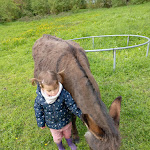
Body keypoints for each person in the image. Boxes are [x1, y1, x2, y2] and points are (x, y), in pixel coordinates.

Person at [31, 70, 82, 150]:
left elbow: (71, 105)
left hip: (65, 121)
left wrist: (80, 114)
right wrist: (41, 122)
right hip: (52, 125)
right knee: (57, 139)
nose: (54, 92)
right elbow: (38, 111)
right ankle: (60, 146)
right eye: (49, 90)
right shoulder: (40, 99)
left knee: (68, 135)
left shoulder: (63, 93)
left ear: (58, 83)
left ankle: (70, 143)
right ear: (42, 87)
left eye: (55, 88)